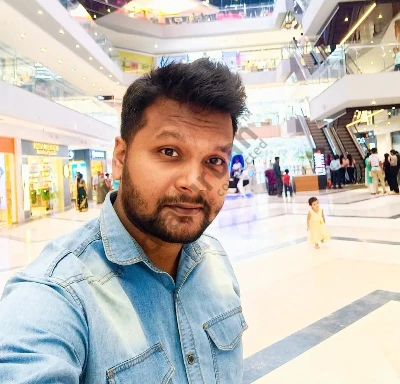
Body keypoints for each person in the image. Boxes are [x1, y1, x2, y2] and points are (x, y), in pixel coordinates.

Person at [0, 59, 248, 383]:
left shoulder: (214, 259)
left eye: (214, 160)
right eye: (169, 152)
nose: (194, 182)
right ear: (120, 158)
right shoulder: (56, 296)